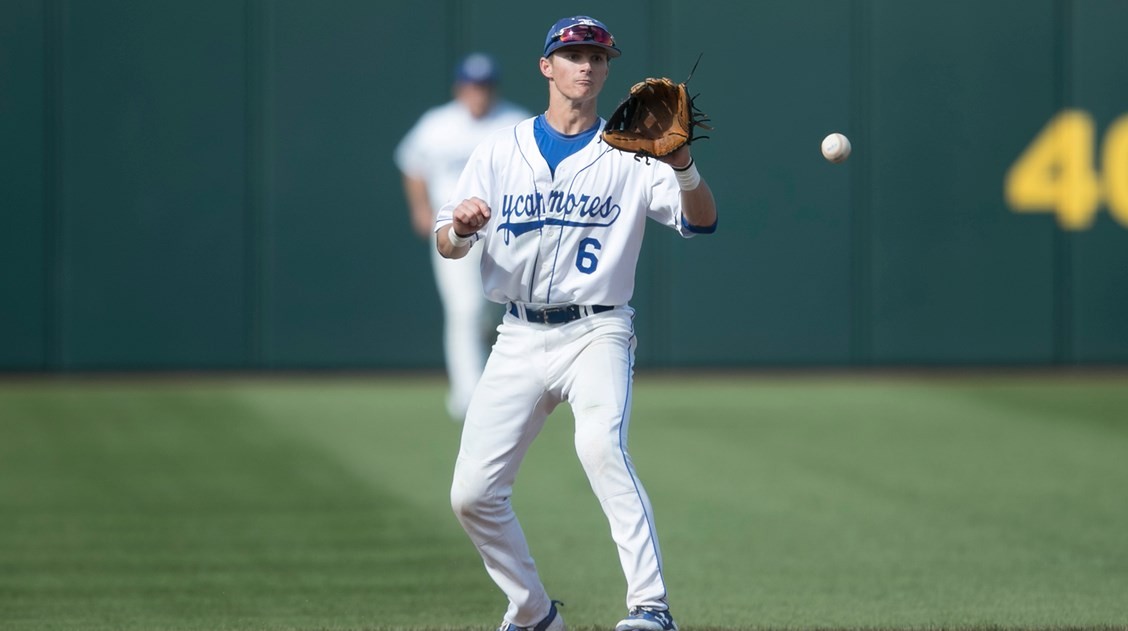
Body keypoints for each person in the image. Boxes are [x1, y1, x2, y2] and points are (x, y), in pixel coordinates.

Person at [436, 15, 717, 631]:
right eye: (573, 55)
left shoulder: (633, 155)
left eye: (597, 56)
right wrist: (458, 226)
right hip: (517, 334)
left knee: (599, 447)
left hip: (597, 330)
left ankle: (650, 607)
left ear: (608, 70)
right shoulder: (499, 150)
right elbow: (447, 244)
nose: (585, 65)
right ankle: (532, 612)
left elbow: (700, 222)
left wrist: (684, 166)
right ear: (547, 67)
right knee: (472, 496)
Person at [394, 53, 531, 421]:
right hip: (452, 230)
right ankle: (468, 396)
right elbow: (412, 164)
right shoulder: (437, 124)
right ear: (459, 88)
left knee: (491, 312)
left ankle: (496, 383)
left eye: (484, 86)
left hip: (502, 233)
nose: (478, 93)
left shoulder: (514, 122)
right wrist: (420, 208)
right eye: (472, 86)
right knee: (464, 309)